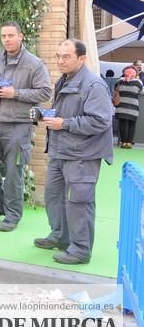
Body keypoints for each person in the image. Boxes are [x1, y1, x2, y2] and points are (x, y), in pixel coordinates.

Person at [34, 39, 113, 265]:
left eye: (66, 56)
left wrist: (65, 123)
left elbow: (100, 121)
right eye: (58, 56)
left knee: (80, 201)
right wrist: (45, 114)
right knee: (54, 196)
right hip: (60, 151)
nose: (60, 61)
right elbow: (65, 112)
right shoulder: (64, 80)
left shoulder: (93, 85)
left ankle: (80, 250)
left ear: (81, 58)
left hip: (83, 155)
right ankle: (60, 236)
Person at [0, 21, 52, 232]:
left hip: (19, 126)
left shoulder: (34, 64)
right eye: (4, 36)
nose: (7, 39)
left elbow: (45, 92)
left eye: (11, 35)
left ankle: (12, 215)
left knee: (13, 171)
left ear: (21, 36)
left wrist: (15, 93)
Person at [113, 65, 143, 148]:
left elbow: (115, 89)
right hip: (133, 107)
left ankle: (123, 142)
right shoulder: (137, 82)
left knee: (123, 124)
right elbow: (141, 91)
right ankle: (129, 143)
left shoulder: (119, 81)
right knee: (131, 124)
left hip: (121, 107)